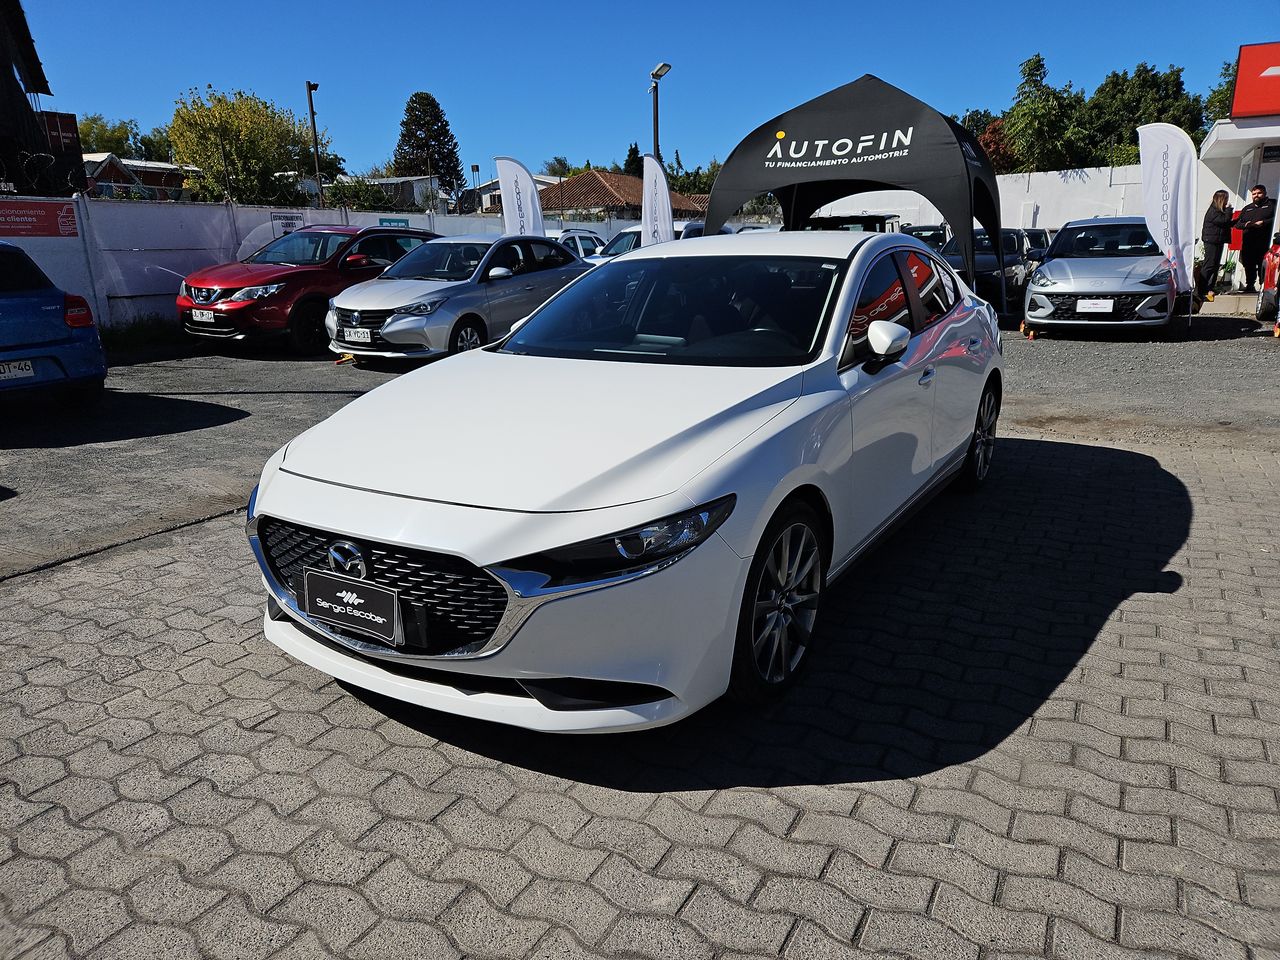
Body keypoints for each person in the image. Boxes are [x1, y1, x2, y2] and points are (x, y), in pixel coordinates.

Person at [1237, 184, 1277, 294]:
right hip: (1248, 241)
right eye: (1254, 194)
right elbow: (1238, 223)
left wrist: (1264, 222)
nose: (1256, 195)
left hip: (1264, 241)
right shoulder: (1247, 208)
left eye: (1259, 193)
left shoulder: (1272, 205)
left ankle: (1263, 285)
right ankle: (1250, 285)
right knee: (1248, 264)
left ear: (1265, 193)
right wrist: (1247, 224)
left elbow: (1276, 218)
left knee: (1263, 264)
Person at [1198, 190, 1233, 300]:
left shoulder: (1218, 211)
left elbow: (1225, 223)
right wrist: (1229, 209)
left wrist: (1237, 221)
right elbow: (1224, 221)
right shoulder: (1213, 211)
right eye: (1226, 199)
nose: (1227, 201)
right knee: (1209, 264)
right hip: (1211, 240)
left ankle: (1210, 287)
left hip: (1217, 240)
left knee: (1215, 264)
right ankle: (1202, 289)